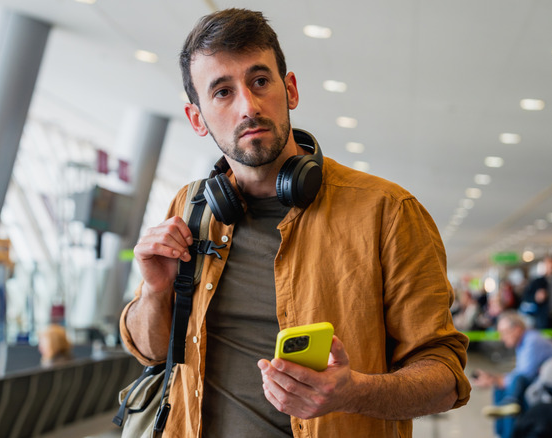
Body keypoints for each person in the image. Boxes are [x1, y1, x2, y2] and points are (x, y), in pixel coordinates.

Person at [120, 8, 470, 437]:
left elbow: (446, 378)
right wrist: (156, 291)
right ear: (197, 119)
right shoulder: (190, 207)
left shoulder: (388, 211)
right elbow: (153, 352)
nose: (248, 106)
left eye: (260, 81)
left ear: (290, 90)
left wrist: (352, 392)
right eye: (223, 92)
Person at [472, 311, 552, 438]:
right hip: (538, 381)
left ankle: (509, 426)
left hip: (546, 386)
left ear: (516, 329)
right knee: (501, 387)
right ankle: (502, 432)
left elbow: (524, 374)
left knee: (511, 388)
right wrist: (495, 379)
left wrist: (497, 379)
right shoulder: (523, 342)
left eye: (504, 333)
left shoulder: (532, 341)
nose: (501, 338)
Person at [520, 255, 552, 328]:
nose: (550, 266)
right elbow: (526, 297)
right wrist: (536, 297)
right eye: (548, 264)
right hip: (544, 318)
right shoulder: (537, 282)